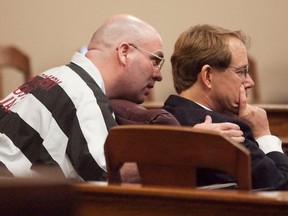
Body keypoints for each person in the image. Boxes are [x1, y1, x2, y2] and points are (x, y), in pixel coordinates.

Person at [0, 14, 243, 181]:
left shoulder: (56, 77)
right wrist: (193, 144)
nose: (159, 75)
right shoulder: (83, 92)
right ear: (125, 52)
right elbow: (112, 176)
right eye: (155, 60)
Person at [163, 24, 288, 190]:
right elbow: (281, 188)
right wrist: (263, 134)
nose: (250, 82)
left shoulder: (162, 119)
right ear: (207, 76)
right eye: (242, 71)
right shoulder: (227, 130)